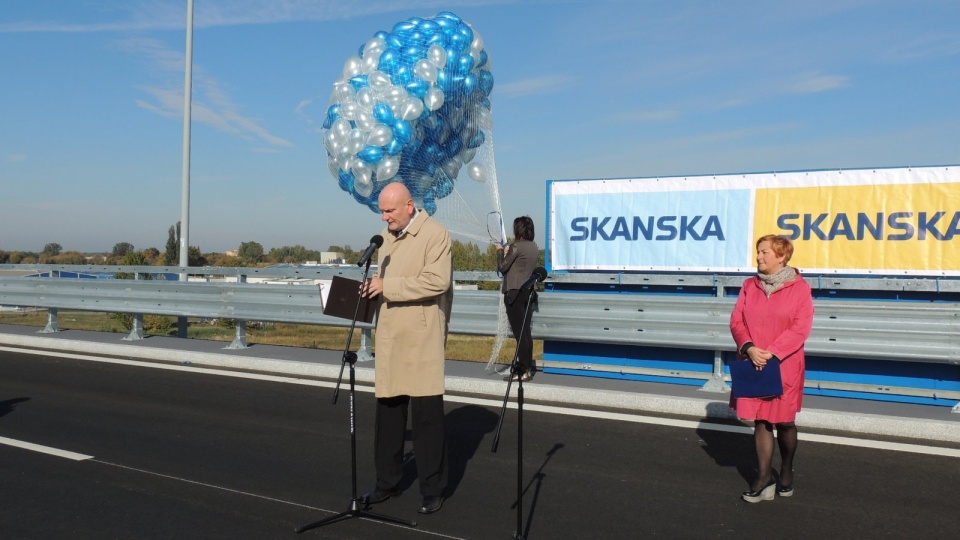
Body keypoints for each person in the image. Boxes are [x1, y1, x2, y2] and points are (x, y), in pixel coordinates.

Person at [360, 182, 454, 515]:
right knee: (388, 417)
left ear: (410, 205)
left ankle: (433, 489)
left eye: (390, 211)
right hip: (390, 337)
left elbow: (436, 281)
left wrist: (387, 286)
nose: (385, 217)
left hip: (422, 338)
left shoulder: (436, 234)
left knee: (427, 421)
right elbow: (383, 284)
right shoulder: (383, 241)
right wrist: (369, 290)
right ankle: (387, 483)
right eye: (382, 211)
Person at [729, 234, 814, 503]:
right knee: (761, 418)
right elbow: (736, 321)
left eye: (764, 252)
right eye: (758, 252)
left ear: (782, 256)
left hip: (784, 363)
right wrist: (750, 347)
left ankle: (786, 470)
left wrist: (773, 352)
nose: (759, 257)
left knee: (785, 420)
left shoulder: (801, 289)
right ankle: (764, 476)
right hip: (753, 360)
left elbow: (801, 328)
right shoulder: (748, 286)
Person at [496, 216, 539, 381]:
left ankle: (521, 371)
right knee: (526, 332)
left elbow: (503, 267)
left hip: (513, 292)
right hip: (527, 293)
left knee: (519, 334)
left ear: (518, 229)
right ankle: (527, 369)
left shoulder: (517, 246)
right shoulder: (533, 246)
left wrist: (500, 251)